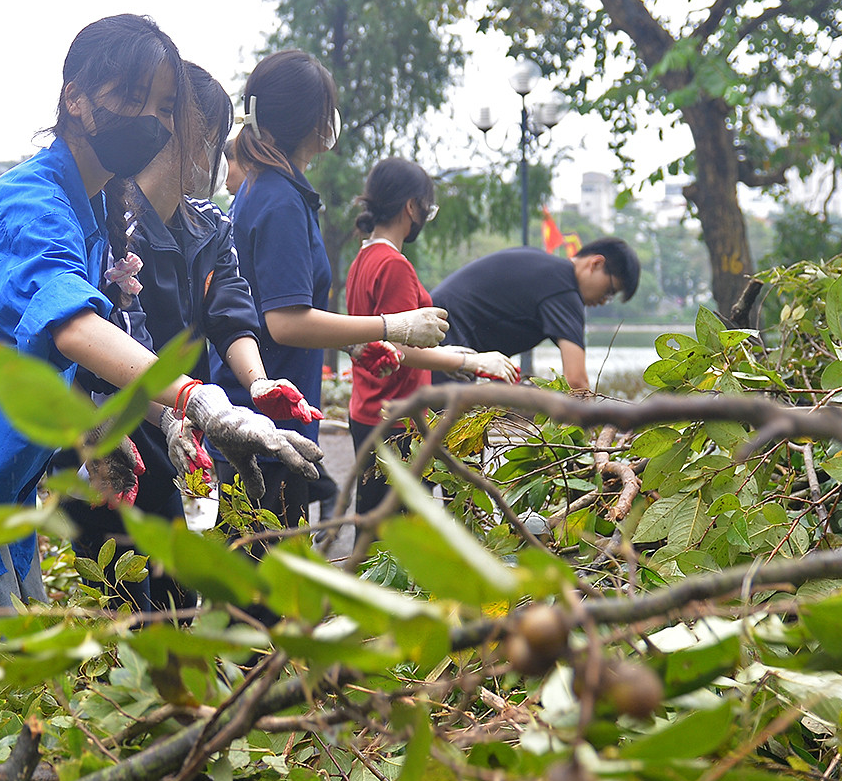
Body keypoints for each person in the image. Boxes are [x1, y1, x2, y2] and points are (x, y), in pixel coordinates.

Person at [0, 16, 322, 662]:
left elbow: (39, 353)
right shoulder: (31, 205)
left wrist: (128, 425)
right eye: (132, 98)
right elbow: (71, 326)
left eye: (165, 106)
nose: (152, 121)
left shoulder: (93, 209)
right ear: (76, 97)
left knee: (14, 695)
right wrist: (196, 398)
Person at [67, 61, 307, 610]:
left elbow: (231, 312)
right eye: (214, 142)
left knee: (182, 593)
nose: (220, 160)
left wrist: (258, 380)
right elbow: (94, 343)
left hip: (185, 420)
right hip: (113, 433)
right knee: (125, 601)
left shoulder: (208, 225)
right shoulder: (107, 227)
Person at [210, 49, 449, 524]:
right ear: (316, 121)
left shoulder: (268, 188)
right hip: (270, 434)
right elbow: (284, 322)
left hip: (262, 424)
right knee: (270, 587)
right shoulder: (279, 199)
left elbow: (266, 307)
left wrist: (359, 342)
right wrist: (394, 325)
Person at [343, 158, 516, 517]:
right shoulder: (393, 265)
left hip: (367, 412)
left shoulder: (363, 259)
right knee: (399, 540)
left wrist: (449, 353)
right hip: (398, 421)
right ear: (411, 206)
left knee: (375, 527)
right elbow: (403, 349)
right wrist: (471, 360)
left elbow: (381, 342)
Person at [430, 238, 641, 392]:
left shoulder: (549, 270)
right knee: (433, 437)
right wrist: (590, 440)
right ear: (596, 264)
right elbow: (577, 383)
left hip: (435, 329)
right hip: (444, 338)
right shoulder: (564, 288)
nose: (604, 300)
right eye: (610, 291)